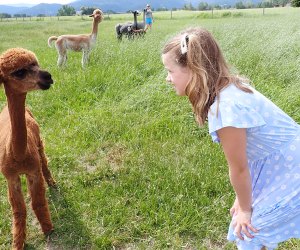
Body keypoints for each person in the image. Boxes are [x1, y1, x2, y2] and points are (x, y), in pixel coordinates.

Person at [161, 27, 300, 250]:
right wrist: (244, 199)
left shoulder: (226, 109)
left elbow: (239, 168)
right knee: (248, 230)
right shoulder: (230, 89)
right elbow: (250, 159)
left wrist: (246, 208)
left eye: (170, 71)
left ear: (194, 69)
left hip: (292, 170)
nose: (168, 78)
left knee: (249, 231)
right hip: (282, 164)